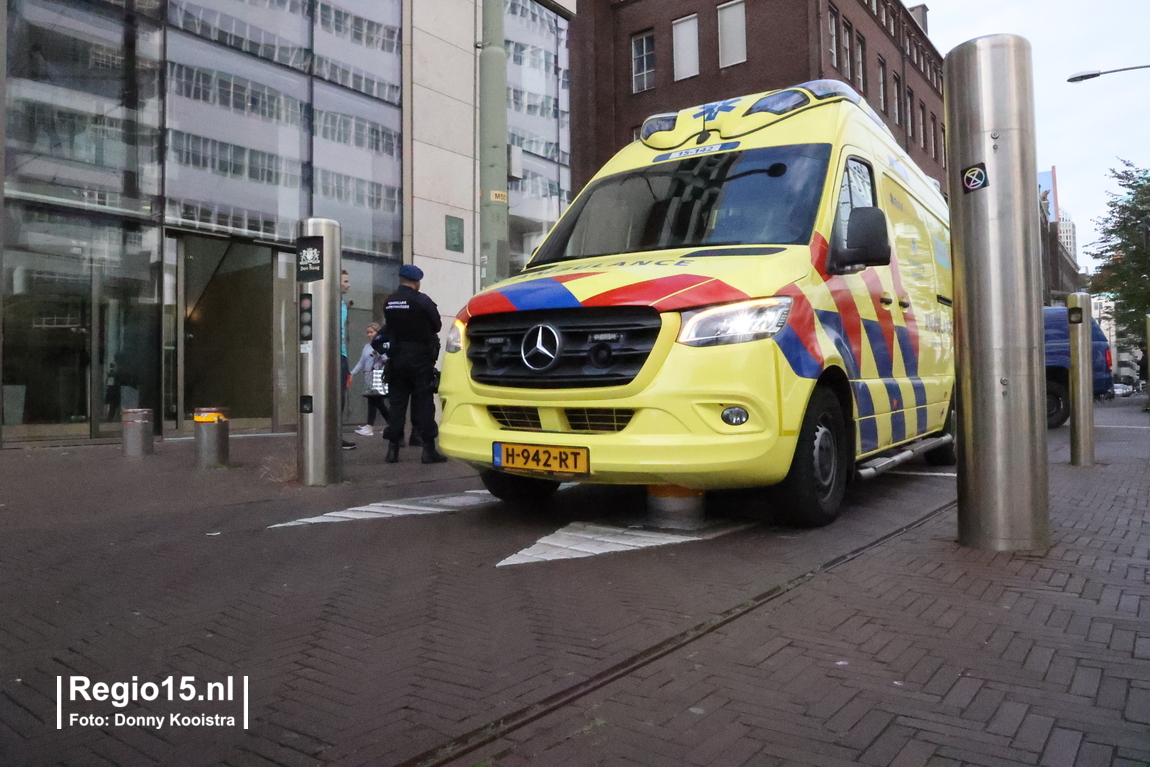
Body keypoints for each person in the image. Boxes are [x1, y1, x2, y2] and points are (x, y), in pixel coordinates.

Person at [381, 264, 447, 463]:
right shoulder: (422, 301)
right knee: (424, 403)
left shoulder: (389, 302)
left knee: (397, 404)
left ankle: (392, 450)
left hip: (397, 358)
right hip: (420, 359)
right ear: (416, 282)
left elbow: (389, 328)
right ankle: (428, 450)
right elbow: (437, 325)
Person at [351, 323, 388, 437]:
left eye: (371, 332)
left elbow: (387, 358)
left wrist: (379, 355)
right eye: (368, 332)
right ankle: (392, 423)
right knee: (375, 401)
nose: (369, 334)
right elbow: (362, 361)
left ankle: (369, 426)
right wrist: (352, 373)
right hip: (368, 375)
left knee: (374, 400)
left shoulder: (384, 345)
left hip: (378, 374)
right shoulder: (367, 346)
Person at [340, 270, 356, 450]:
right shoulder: (332, 303)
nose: (348, 284)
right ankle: (334, 436)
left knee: (340, 396)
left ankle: (335, 434)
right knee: (338, 397)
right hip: (337, 355)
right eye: (345, 281)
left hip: (341, 354)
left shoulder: (341, 303)